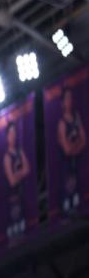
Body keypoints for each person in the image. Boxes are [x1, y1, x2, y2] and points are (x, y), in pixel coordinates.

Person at [57, 87, 86, 215]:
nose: (70, 100)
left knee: (78, 195)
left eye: (71, 97)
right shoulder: (62, 124)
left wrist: (74, 146)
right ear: (63, 102)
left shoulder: (76, 117)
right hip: (66, 167)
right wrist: (77, 145)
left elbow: (84, 140)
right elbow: (67, 150)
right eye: (67, 98)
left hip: (78, 163)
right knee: (69, 195)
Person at [3, 121, 30, 242]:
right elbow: (12, 181)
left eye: (14, 133)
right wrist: (21, 173)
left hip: (23, 194)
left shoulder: (20, 152)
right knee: (16, 230)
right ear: (7, 136)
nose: (13, 136)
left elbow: (27, 169)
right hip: (13, 199)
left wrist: (17, 174)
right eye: (10, 133)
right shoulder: (7, 157)